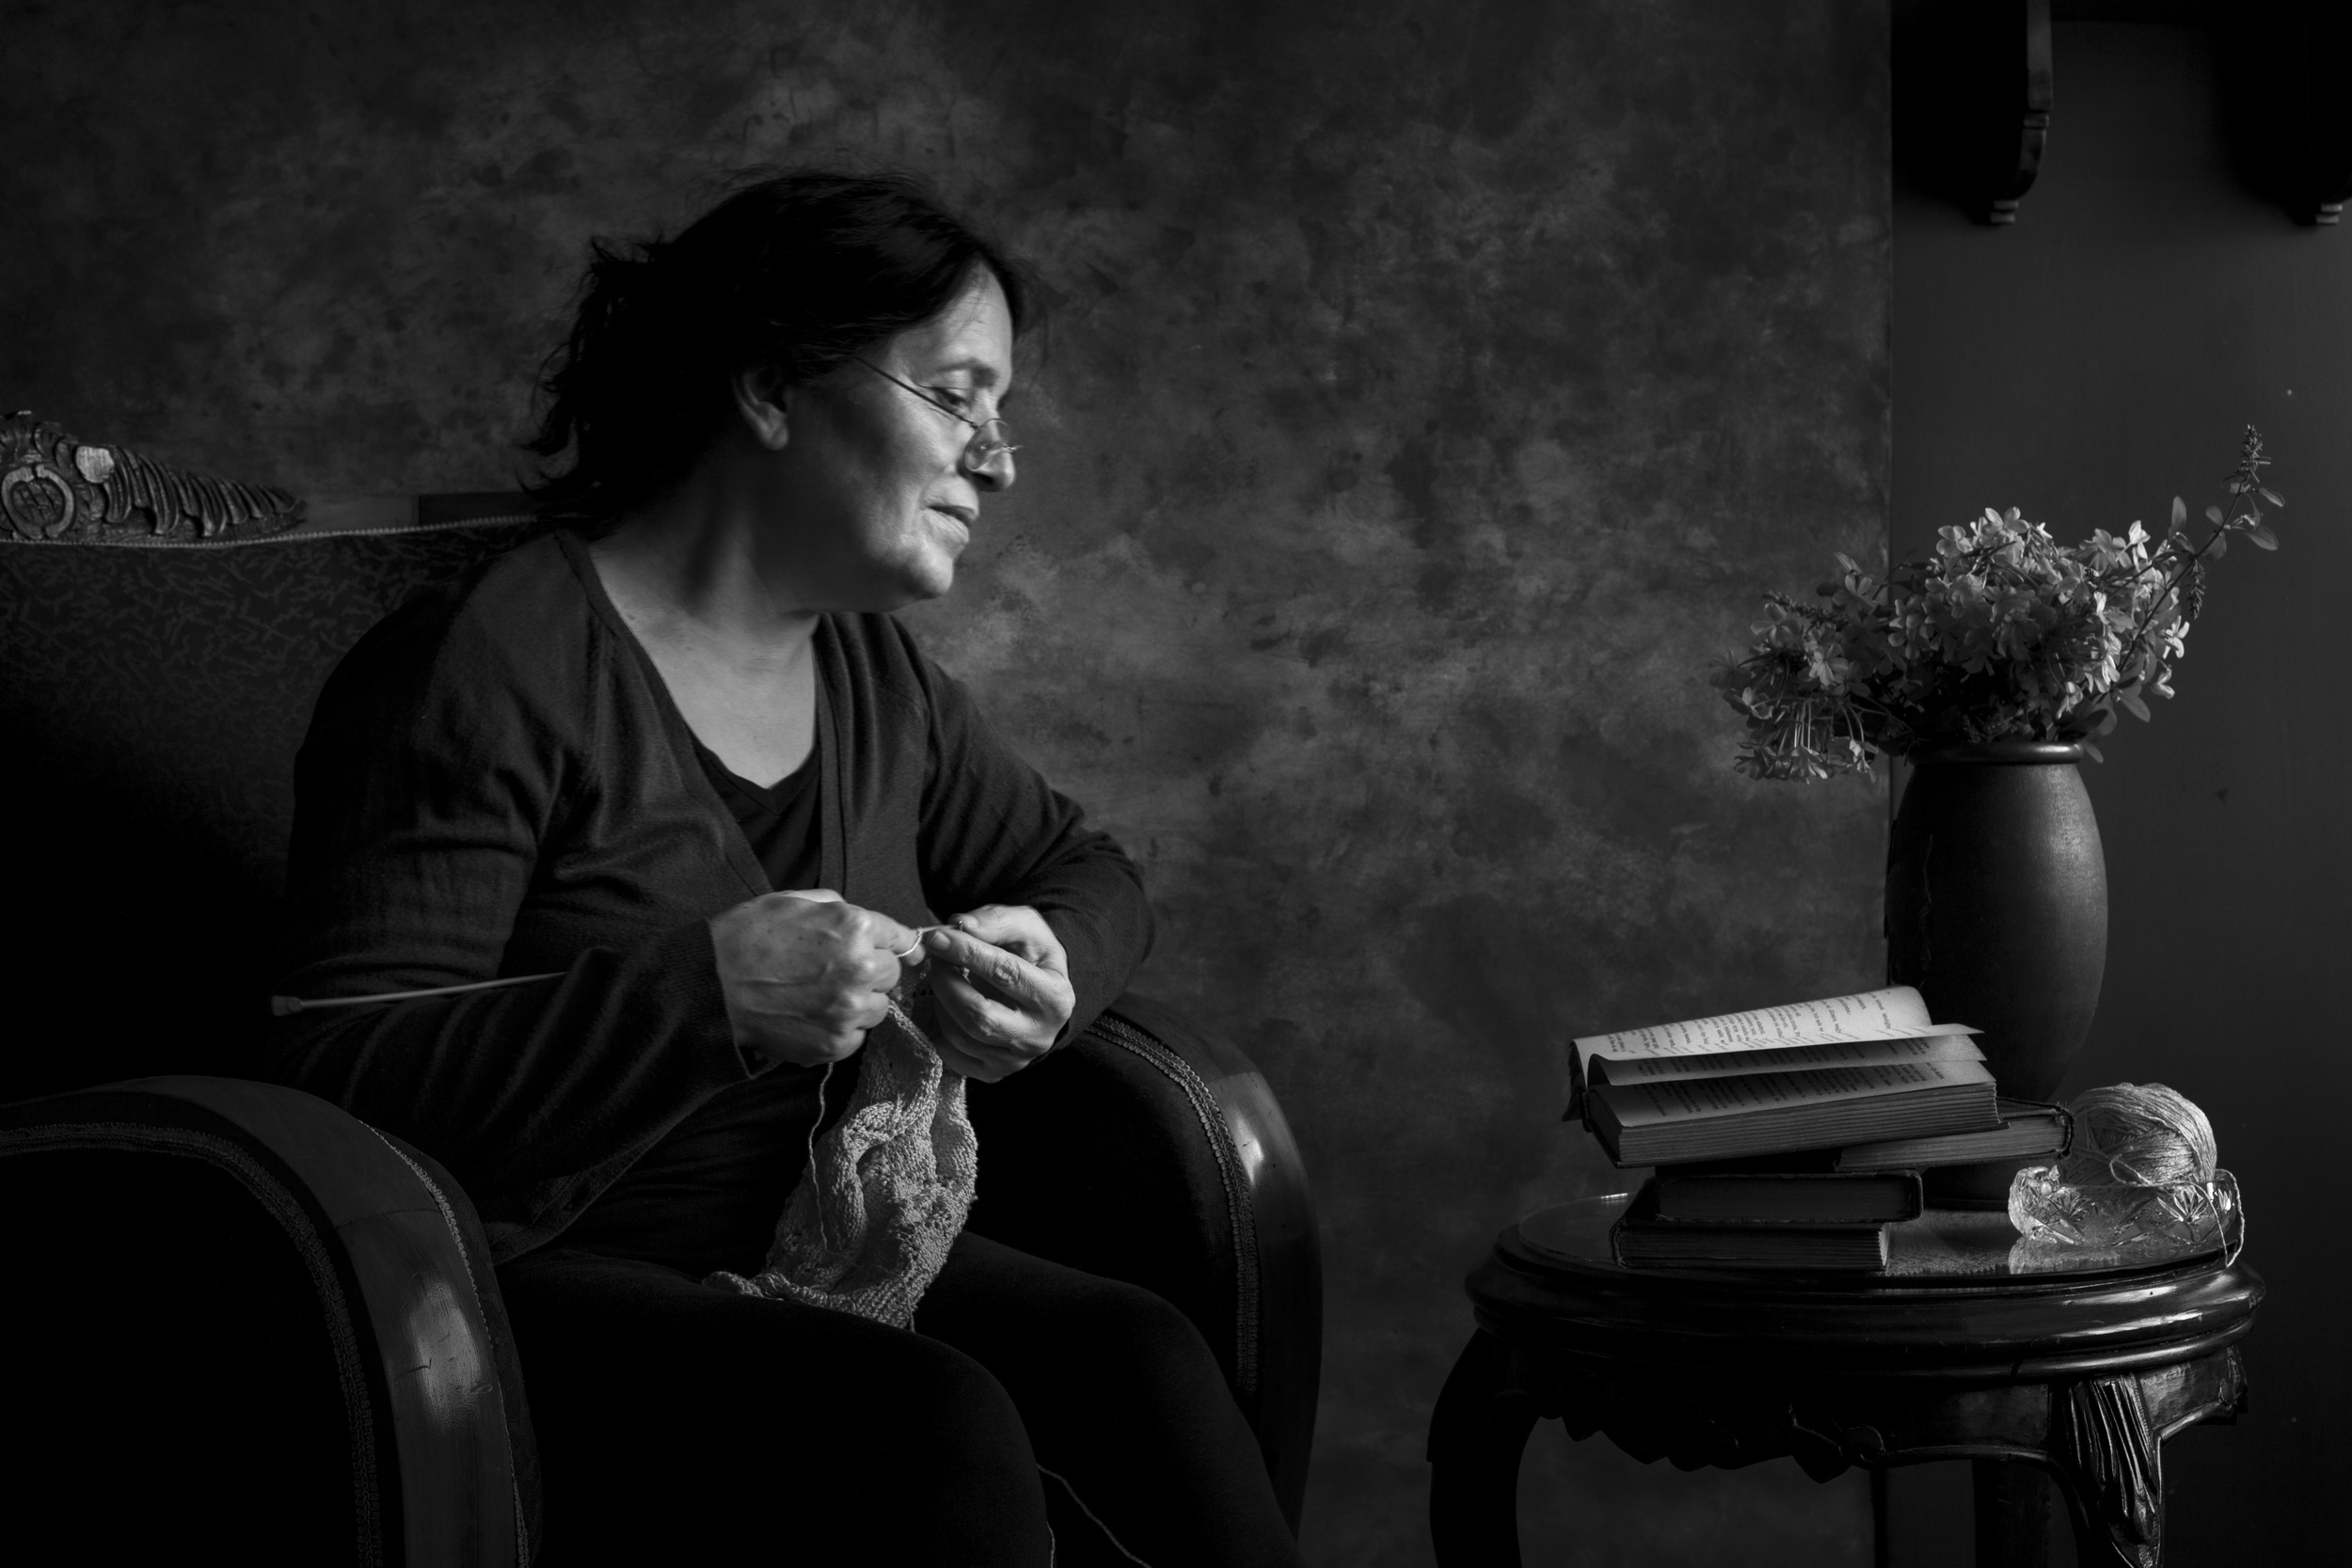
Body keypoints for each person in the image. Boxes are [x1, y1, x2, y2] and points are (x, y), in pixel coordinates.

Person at [266, 170, 1300, 1567]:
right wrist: (703, 999)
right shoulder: (489, 661)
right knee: (930, 1422)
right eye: (959, 398)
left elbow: (1087, 867)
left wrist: (1048, 960)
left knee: (1138, 1357)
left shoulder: (874, 670)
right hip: (520, 1284)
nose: (998, 463)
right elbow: (333, 1081)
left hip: (817, 1244)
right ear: (769, 387)